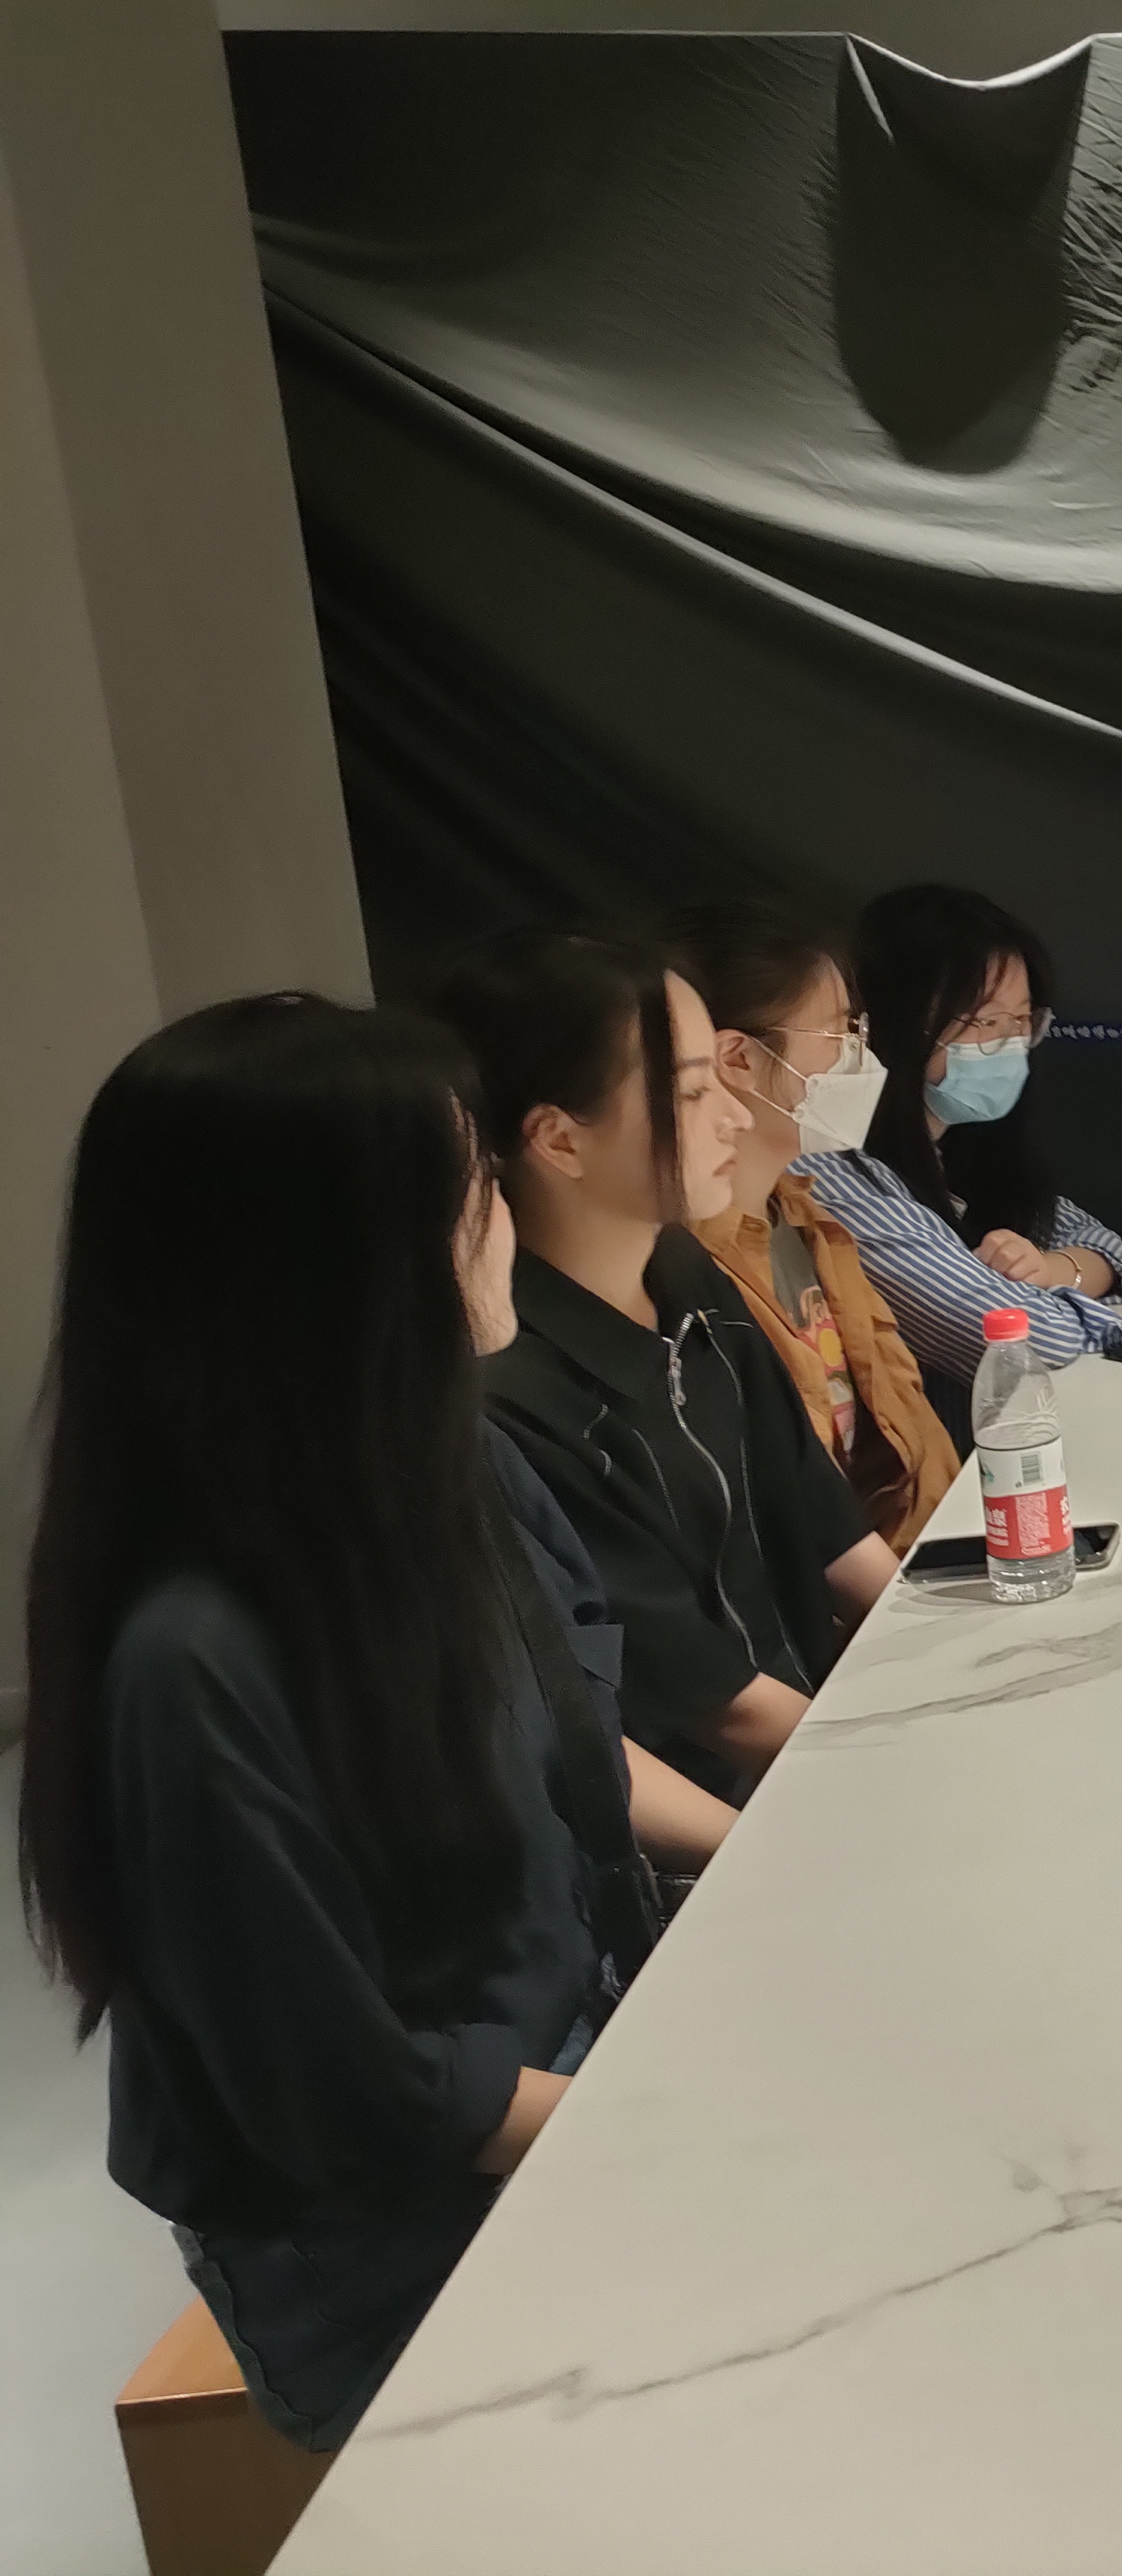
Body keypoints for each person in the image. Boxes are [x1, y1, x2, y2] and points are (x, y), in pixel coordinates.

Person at [17, 994, 733, 2449]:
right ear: (338, 1262)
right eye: (470, 1188)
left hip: (564, 2080)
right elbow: (349, 2092)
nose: (502, 1219)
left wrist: (770, 1866)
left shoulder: (454, 1467)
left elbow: (575, 1740)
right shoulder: (192, 1661)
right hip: (395, 2242)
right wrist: (672, 2126)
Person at [438, 934, 897, 1801]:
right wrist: (894, 1773)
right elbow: (711, 1702)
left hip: (817, 1735)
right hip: (725, 1808)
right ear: (559, 1140)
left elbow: (828, 1527)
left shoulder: (687, 1273)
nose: (734, 1116)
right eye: (690, 1092)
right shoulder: (512, 1392)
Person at [661, 897, 963, 1554]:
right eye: (840, 1033)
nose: (861, 1056)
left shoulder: (807, 1219)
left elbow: (914, 1447)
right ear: (738, 1059)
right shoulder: (684, 1271)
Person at [805, 884, 1122, 1386]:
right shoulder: (832, 1169)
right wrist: (1067, 1299)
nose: (1010, 1042)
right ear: (890, 1023)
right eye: (985, 1021)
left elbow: (1108, 1250)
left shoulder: (959, 1146)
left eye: (1022, 1019)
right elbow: (1031, 1341)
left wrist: (1050, 1270)